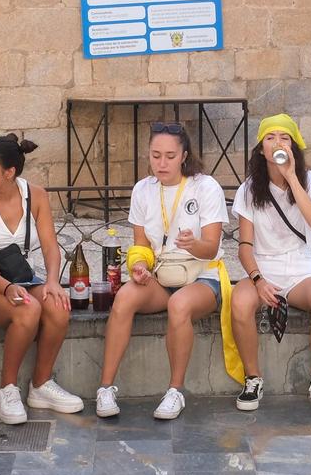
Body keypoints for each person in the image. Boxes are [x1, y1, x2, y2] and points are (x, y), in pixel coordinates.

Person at [95, 121, 229, 421]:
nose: (162, 163)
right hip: (162, 274)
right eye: (156, 155)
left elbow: (210, 247)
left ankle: (175, 391)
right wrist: (139, 267)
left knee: (179, 305)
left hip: (201, 274)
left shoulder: (205, 187)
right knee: (125, 297)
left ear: (184, 155)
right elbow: (141, 245)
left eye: (170, 155)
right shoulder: (143, 190)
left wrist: (193, 244)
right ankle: (105, 387)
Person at [0, 133, 82, 425]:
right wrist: (6, 287)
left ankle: (41, 386)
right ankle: (7, 389)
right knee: (29, 308)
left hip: (19, 276)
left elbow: (51, 245)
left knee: (57, 305)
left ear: (9, 172)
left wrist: (52, 281)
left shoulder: (35, 195)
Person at [229, 114, 311, 413]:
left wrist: (291, 177)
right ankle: (253, 378)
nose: (277, 143)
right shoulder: (249, 190)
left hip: (301, 267)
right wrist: (257, 280)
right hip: (264, 268)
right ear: (261, 149)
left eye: (284, 138)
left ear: (294, 147)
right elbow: (245, 247)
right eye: (270, 138)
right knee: (239, 302)